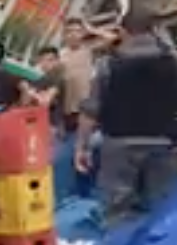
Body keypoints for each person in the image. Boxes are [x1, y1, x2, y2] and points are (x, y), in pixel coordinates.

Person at [76, 11, 177, 227]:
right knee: (161, 212)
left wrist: (82, 148)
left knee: (118, 211)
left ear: (122, 32)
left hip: (119, 145)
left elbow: (91, 110)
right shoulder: (173, 64)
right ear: (154, 32)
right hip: (163, 145)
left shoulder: (107, 65)